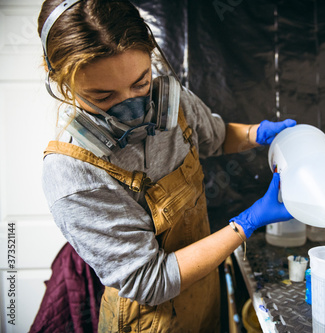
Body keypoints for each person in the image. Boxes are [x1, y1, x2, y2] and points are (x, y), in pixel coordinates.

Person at [37, 0, 296, 332]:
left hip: (202, 299)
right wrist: (247, 222)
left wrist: (257, 133)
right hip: (148, 321)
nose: (131, 106)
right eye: (102, 97)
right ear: (58, 80)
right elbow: (151, 281)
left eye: (140, 83)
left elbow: (215, 137)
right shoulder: (72, 175)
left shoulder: (170, 105)